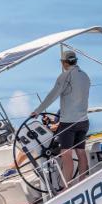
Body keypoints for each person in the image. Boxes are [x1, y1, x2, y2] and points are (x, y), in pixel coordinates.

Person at [30, 49, 90, 186]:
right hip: (84, 121)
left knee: (66, 154)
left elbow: (52, 95)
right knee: (81, 152)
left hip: (69, 123)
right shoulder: (85, 76)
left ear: (63, 62)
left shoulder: (65, 76)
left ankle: (66, 187)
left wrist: (37, 111)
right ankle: (83, 181)